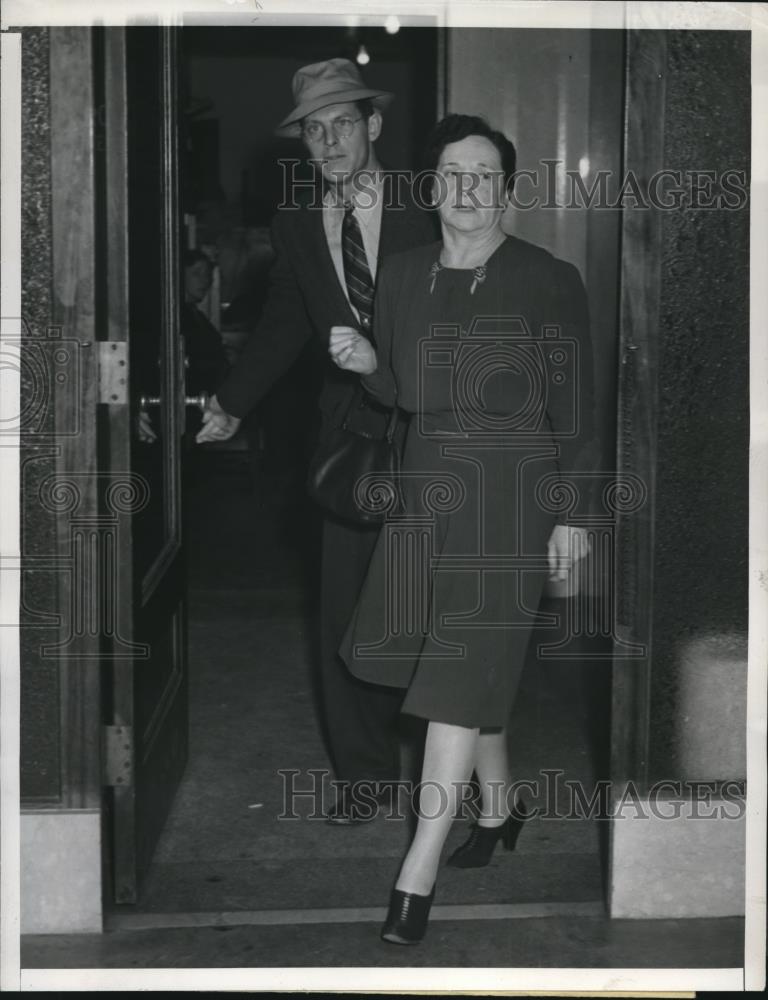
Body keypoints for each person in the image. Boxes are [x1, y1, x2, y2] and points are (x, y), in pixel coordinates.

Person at [329, 114, 595, 943]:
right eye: (453, 173)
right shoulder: (403, 275)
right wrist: (371, 368)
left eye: (485, 174)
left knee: (455, 670)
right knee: (457, 658)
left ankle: (417, 872)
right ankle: (500, 806)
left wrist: (575, 514)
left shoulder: (549, 278)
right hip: (425, 490)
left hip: (512, 493)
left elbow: (577, 409)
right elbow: (399, 396)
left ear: (507, 191)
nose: (468, 188)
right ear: (433, 187)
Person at [195, 58, 437, 822]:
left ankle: (451, 776)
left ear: (373, 126)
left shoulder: (430, 205)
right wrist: (233, 402)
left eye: (342, 122)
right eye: (314, 128)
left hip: (437, 430)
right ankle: (364, 776)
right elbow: (285, 323)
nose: (329, 140)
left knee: (439, 609)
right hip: (350, 439)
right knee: (346, 611)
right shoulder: (297, 222)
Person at [137, 248, 228, 444]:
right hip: (171, 412)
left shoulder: (194, 315)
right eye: (197, 274)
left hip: (196, 413)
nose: (205, 281)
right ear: (179, 276)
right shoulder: (169, 316)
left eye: (208, 275)